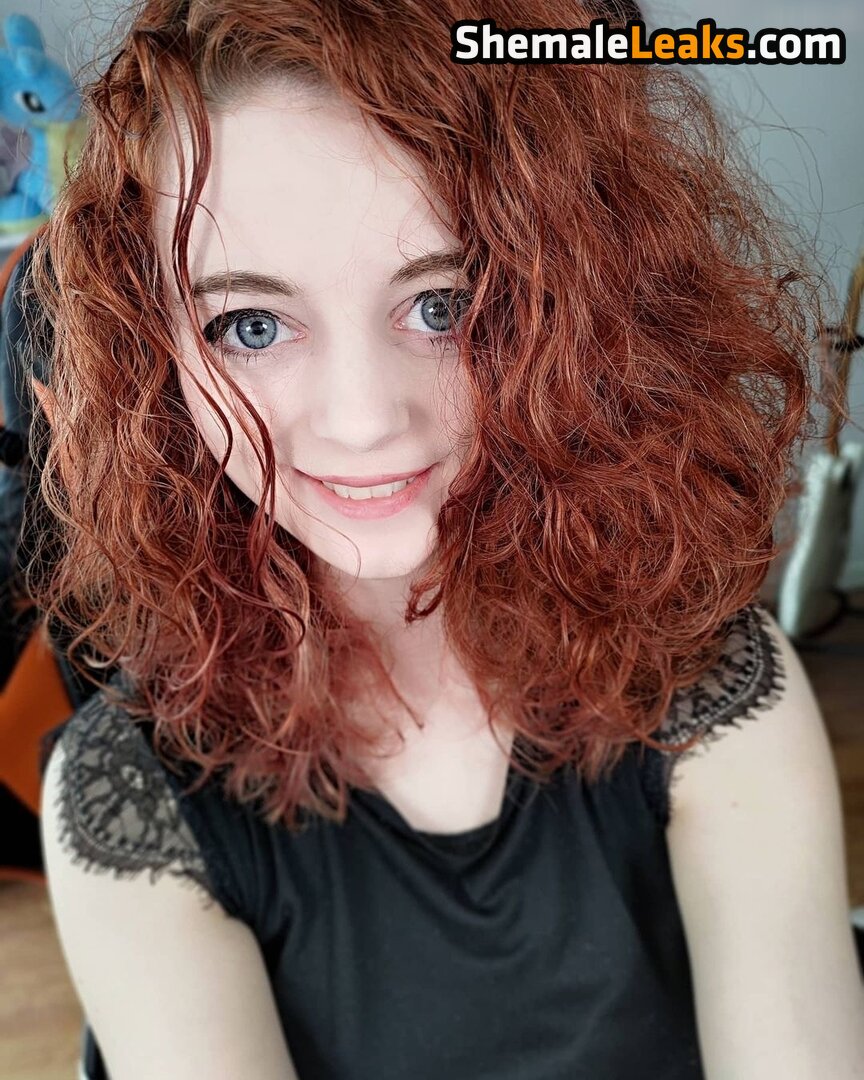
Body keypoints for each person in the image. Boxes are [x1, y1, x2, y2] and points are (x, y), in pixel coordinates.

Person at [29, 1, 864, 1077]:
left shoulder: (714, 687)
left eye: (441, 305)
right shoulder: (128, 798)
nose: (363, 420)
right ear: (158, 355)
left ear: (574, 306)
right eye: (251, 325)